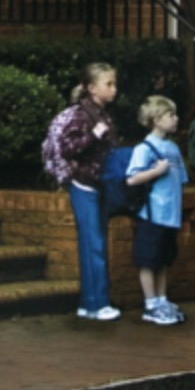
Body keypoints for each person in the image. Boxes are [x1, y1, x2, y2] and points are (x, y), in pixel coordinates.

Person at [40, 62, 121, 321]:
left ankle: (93, 301)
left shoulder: (103, 113)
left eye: (113, 83)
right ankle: (95, 303)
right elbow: (67, 148)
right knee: (92, 244)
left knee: (96, 243)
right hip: (84, 185)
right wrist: (94, 136)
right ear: (91, 88)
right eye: (108, 84)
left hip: (99, 184)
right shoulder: (81, 115)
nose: (114, 89)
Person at [122, 95, 188, 326]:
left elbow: (182, 180)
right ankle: (150, 304)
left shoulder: (172, 147)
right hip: (152, 215)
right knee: (148, 260)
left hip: (170, 216)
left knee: (163, 259)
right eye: (171, 115)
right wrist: (156, 172)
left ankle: (162, 299)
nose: (176, 118)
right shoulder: (144, 148)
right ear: (157, 120)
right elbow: (132, 179)